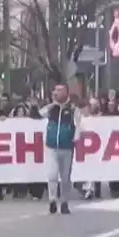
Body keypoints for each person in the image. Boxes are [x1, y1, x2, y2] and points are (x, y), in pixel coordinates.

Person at [42, 83, 81, 214]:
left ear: (66, 93)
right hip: (52, 146)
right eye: (55, 90)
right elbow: (39, 113)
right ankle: (52, 200)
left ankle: (64, 202)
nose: (56, 92)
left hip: (66, 147)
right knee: (52, 174)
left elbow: (78, 124)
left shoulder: (73, 109)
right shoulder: (51, 108)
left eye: (59, 90)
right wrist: (52, 104)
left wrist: (75, 138)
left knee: (65, 177)